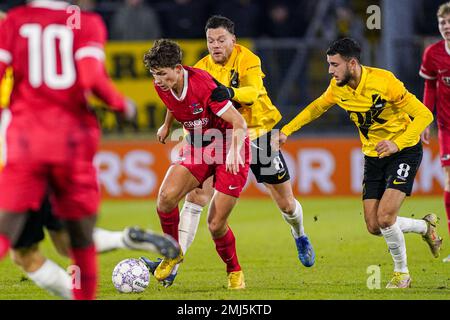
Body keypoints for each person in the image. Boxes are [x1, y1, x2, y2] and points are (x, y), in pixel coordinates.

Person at [141, 15, 315, 288]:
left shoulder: (248, 60)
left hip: (257, 135)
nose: (215, 45)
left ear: (233, 40)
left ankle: (299, 234)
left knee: (286, 203)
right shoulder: (198, 68)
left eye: (221, 40)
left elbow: (253, 93)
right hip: (215, 138)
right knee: (195, 197)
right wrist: (173, 128)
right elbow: (179, 99)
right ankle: (175, 262)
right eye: (211, 40)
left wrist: (228, 92)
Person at [0, 0, 155, 300]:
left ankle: (120, 241)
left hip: (22, 145)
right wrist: (123, 105)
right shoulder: (85, 22)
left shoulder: (15, 22)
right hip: (71, 145)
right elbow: (91, 77)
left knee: (18, 246)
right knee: (75, 241)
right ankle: (120, 242)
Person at [274, 37, 442, 288]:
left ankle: (402, 274)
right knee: (374, 226)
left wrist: (398, 143)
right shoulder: (337, 87)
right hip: (373, 157)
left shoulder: (385, 82)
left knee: (386, 218)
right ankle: (424, 227)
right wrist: (287, 130)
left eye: (334, 64)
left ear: (352, 63)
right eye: (329, 65)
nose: (330, 71)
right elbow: (316, 108)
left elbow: (424, 114)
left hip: (403, 151)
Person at [141, 38, 250, 289]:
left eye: (161, 74)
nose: (157, 80)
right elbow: (173, 102)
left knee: (216, 224)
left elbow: (239, 123)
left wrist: (234, 152)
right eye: (154, 74)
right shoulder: (164, 85)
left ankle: (234, 270)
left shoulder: (203, 85)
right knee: (166, 197)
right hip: (199, 145)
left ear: (178, 69)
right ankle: (173, 252)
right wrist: (167, 125)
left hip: (229, 145)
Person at [419, 1, 450, 263]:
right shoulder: (432, 54)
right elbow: (430, 88)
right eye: (442, 23)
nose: (447, 27)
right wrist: (424, 121)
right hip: (447, 128)